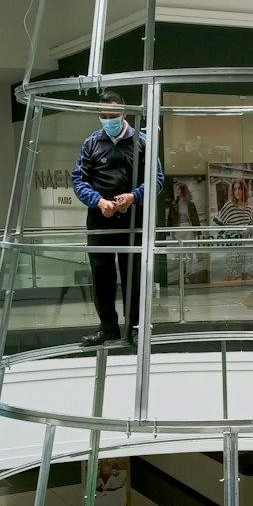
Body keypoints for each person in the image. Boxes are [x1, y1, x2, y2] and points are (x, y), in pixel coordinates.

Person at [71, 91, 165, 348]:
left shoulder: (142, 143)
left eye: (113, 115)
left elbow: (156, 180)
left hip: (133, 219)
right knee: (101, 274)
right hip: (100, 218)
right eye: (103, 115)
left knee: (133, 274)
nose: (108, 119)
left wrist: (133, 197)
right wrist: (99, 202)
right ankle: (107, 327)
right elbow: (78, 180)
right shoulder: (91, 143)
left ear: (124, 113)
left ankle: (135, 327)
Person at [213, 178, 253, 281]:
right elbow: (217, 222)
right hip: (233, 247)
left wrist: (248, 231)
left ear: (244, 190)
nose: (237, 191)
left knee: (244, 274)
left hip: (245, 246)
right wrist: (229, 235)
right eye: (235, 189)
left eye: (239, 189)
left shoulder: (248, 208)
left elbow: (251, 224)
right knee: (231, 276)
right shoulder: (229, 206)